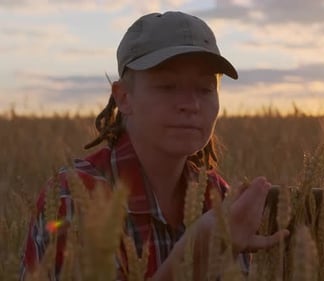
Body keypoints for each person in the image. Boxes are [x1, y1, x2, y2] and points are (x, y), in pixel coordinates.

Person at [20, 11, 289, 281]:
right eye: (167, 86)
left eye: (206, 89)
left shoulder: (217, 196)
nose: (191, 104)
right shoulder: (75, 199)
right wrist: (195, 258)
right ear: (124, 97)